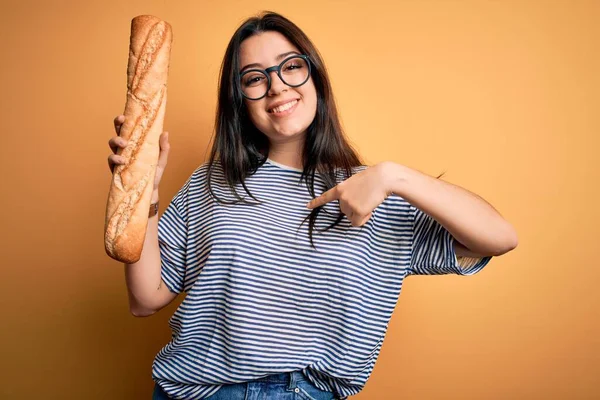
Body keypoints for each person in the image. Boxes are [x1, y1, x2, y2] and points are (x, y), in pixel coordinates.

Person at [107, 11, 517, 400]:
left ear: (314, 75)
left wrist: (393, 176)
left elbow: (499, 237)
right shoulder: (212, 182)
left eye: (291, 66)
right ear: (240, 100)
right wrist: (144, 193)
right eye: (254, 78)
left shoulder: (373, 191)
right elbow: (146, 299)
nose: (277, 86)